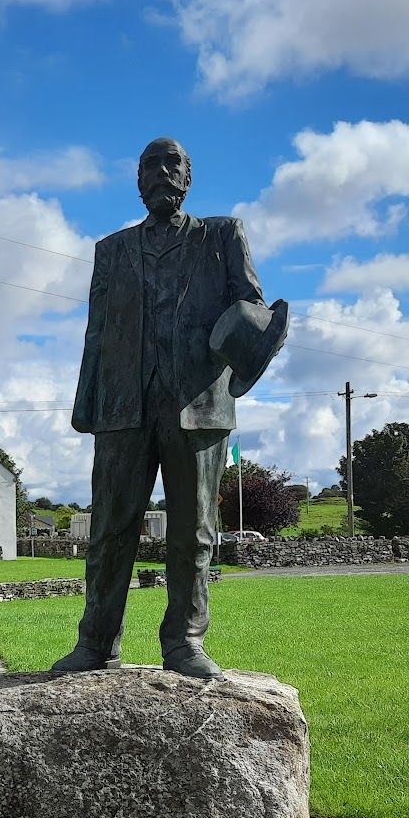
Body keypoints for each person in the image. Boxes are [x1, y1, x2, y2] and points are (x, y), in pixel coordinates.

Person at [51, 137, 286, 678]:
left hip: (198, 403)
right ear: (137, 182)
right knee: (110, 528)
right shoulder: (110, 250)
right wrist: (86, 404)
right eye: (148, 167)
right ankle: (95, 641)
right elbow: (96, 330)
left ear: (188, 177)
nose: (159, 173)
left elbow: (251, 304)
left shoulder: (222, 236)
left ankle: (183, 641)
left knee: (193, 530)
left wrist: (251, 337)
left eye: (170, 164)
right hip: (121, 404)